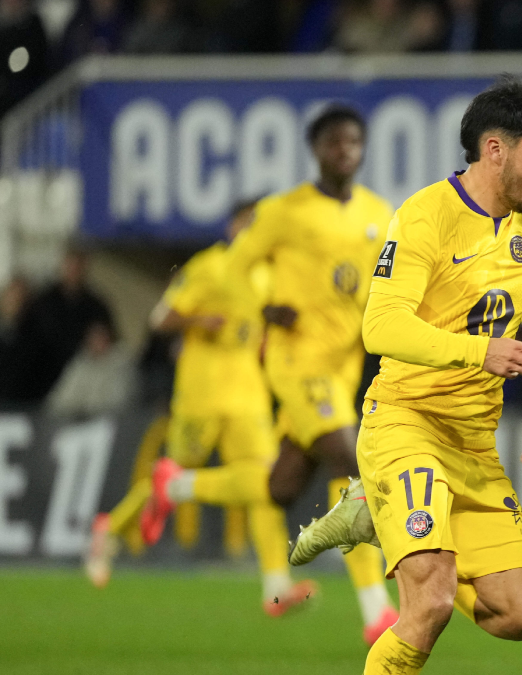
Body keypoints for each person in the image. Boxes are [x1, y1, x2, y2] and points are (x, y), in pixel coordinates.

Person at [288, 76, 522, 675]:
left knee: (518, 615)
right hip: (406, 425)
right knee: (432, 601)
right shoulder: (425, 216)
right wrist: (481, 353)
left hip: (473, 443)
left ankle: (377, 519)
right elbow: (382, 327)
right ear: (495, 149)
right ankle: (396, 523)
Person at [139, 105, 399, 643]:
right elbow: (237, 265)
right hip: (295, 363)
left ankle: (178, 484)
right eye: (333, 142)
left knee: (280, 487)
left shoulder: (379, 213)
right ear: (317, 150)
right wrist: (261, 310)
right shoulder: (284, 211)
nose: (344, 150)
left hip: (343, 368)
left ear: (362, 149)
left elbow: (384, 284)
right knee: (353, 461)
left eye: (353, 142)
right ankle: (379, 608)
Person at [85, 200, 314, 617]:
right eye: (251, 223)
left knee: (266, 482)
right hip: (202, 394)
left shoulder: (266, 275)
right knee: (172, 474)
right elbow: (160, 318)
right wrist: (199, 321)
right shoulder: (208, 267)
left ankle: (276, 588)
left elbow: (258, 331)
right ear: (233, 225)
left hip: (248, 395)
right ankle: (112, 528)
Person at [9, 246, 114, 403]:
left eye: (78, 266)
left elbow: (109, 341)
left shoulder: (96, 306)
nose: (73, 271)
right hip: (39, 381)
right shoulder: (43, 301)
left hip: (79, 382)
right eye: (70, 265)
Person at [44, 319, 134, 418]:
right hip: (75, 421)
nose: (96, 342)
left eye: (100, 337)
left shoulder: (121, 364)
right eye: (92, 338)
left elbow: (118, 401)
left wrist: (89, 408)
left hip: (110, 421)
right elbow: (60, 398)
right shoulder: (80, 364)